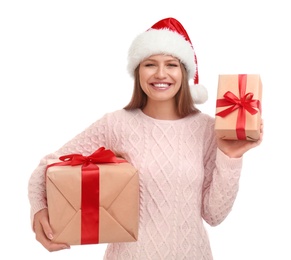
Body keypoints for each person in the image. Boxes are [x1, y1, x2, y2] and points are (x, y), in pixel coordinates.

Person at [28, 17, 263, 259]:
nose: (161, 74)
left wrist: (231, 156)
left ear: (184, 73)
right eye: (150, 64)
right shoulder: (116, 124)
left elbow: (214, 216)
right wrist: (39, 210)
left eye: (171, 64)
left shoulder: (207, 129)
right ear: (137, 70)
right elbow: (48, 166)